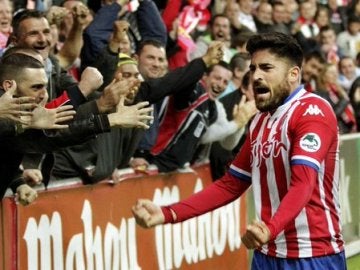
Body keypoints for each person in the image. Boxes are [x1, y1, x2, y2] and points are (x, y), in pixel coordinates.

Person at [132, 32, 346, 270]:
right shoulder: (260, 121)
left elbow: (303, 183)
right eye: (253, 69)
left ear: (293, 74)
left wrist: (269, 228)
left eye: (266, 68)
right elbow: (230, 184)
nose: (256, 76)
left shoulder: (313, 111)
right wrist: (168, 213)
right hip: (266, 254)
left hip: (313, 254)